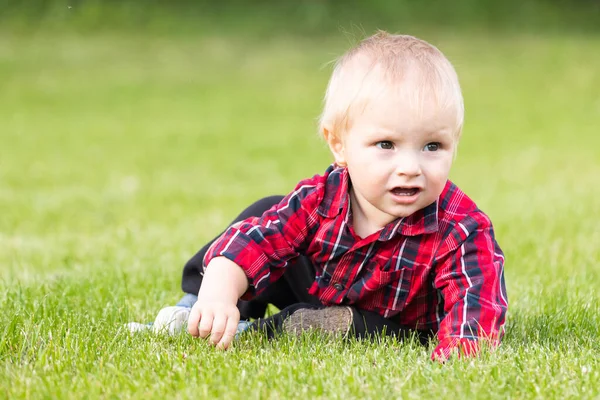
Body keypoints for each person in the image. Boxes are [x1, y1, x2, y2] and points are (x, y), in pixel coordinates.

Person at [134, 31, 508, 361]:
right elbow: (262, 241)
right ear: (339, 145)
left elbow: (477, 298)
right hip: (320, 285)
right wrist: (219, 290)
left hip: (380, 322)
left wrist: (462, 347)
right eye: (386, 144)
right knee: (266, 213)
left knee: (345, 326)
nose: (410, 166)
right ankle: (201, 310)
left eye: (432, 146)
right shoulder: (322, 198)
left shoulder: (461, 228)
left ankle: (256, 332)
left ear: (454, 144)